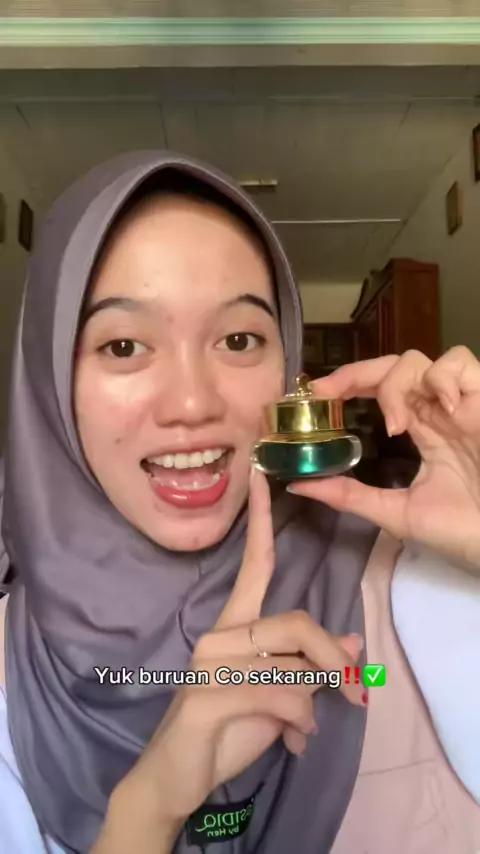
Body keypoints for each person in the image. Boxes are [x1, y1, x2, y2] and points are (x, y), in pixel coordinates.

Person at [0, 151, 478, 854]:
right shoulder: (8, 677)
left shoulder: (416, 594)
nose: (193, 403)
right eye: (124, 345)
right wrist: (148, 809)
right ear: (49, 385)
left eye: (238, 339)